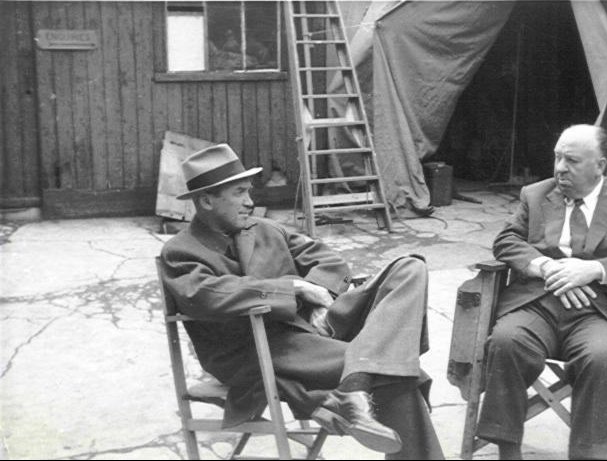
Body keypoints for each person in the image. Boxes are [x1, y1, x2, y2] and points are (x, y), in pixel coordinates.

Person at [161, 144, 444, 459]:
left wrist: (318, 297)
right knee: (395, 370)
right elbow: (206, 295)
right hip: (267, 349)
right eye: (239, 193)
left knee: (410, 267)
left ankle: (356, 383)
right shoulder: (181, 252)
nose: (250, 201)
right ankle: (358, 381)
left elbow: (329, 261)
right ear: (206, 201)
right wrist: (294, 288)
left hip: (318, 325)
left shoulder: (266, 230)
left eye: (248, 191)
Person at [476, 124, 607, 459]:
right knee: (506, 341)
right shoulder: (536, 194)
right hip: (538, 303)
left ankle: (590, 454)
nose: (560, 168)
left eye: (572, 161)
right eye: (558, 158)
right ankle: (507, 448)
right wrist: (545, 266)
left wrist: (594, 269)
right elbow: (506, 240)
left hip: (598, 311)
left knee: (601, 357)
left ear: (600, 165)